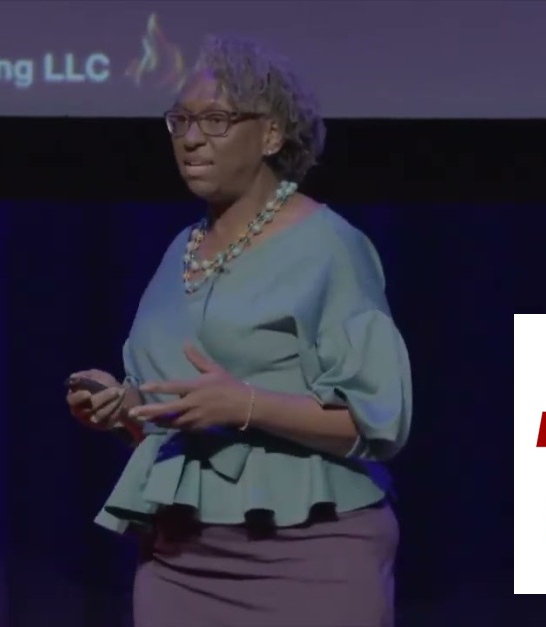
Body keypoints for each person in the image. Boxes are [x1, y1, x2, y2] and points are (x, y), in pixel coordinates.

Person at [64, 35, 412, 627]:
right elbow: (176, 413)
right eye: (180, 121)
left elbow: (379, 421)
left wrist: (245, 405)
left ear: (271, 135)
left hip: (308, 553)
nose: (190, 139)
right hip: (182, 558)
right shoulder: (182, 249)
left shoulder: (330, 247)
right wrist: (123, 406)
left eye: (216, 121)